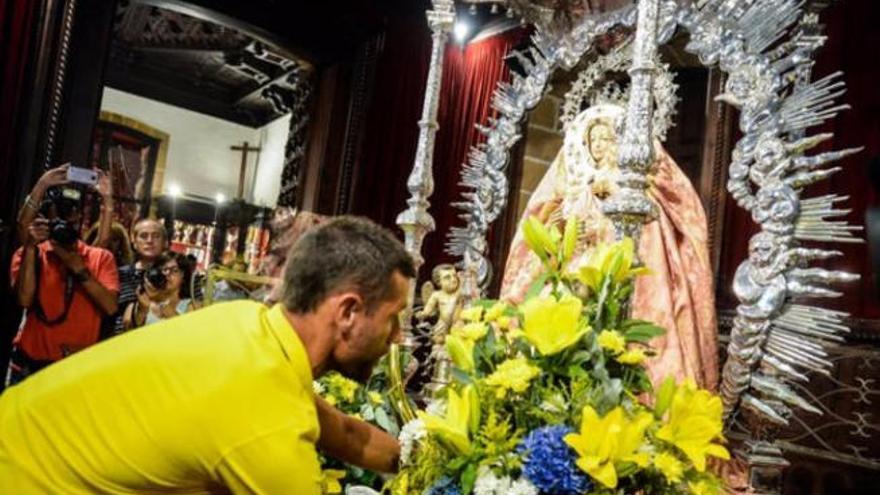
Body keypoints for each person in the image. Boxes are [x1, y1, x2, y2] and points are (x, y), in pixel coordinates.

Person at [0, 216, 413, 493]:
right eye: (393, 318)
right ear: (348, 312)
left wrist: (428, 453)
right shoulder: (263, 414)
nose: (397, 338)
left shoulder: (247, 323)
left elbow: (344, 432)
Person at [500, 104, 719, 390]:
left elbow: (649, 227)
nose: (599, 145)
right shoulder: (579, 183)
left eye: (606, 138)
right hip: (578, 262)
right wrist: (564, 219)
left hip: (620, 264)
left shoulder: (636, 185)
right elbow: (562, 221)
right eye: (594, 140)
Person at [6, 165, 119, 385]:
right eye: (59, 218)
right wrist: (43, 184)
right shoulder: (33, 252)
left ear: (79, 220)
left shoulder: (98, 257)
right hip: (29, 364)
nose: (65, 224)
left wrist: (78, 268)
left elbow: (110, 306)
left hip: (73, 369)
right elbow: (24, 299)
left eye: (71, 216)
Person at [113, 218, 166, 334]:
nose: (150, 241)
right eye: (143, 236)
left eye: (156, 236)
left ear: (164, 242)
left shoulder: (175, 277)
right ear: (134, 242)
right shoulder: (119, 274)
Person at [122, 251, 200, 328]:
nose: (167, 274)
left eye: (174, 270)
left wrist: (170, 311)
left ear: (184, 276)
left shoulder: (193, 306)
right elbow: (127, 332)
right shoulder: (139, 304)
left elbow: (191, 334)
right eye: (163, 269)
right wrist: (142, 310)